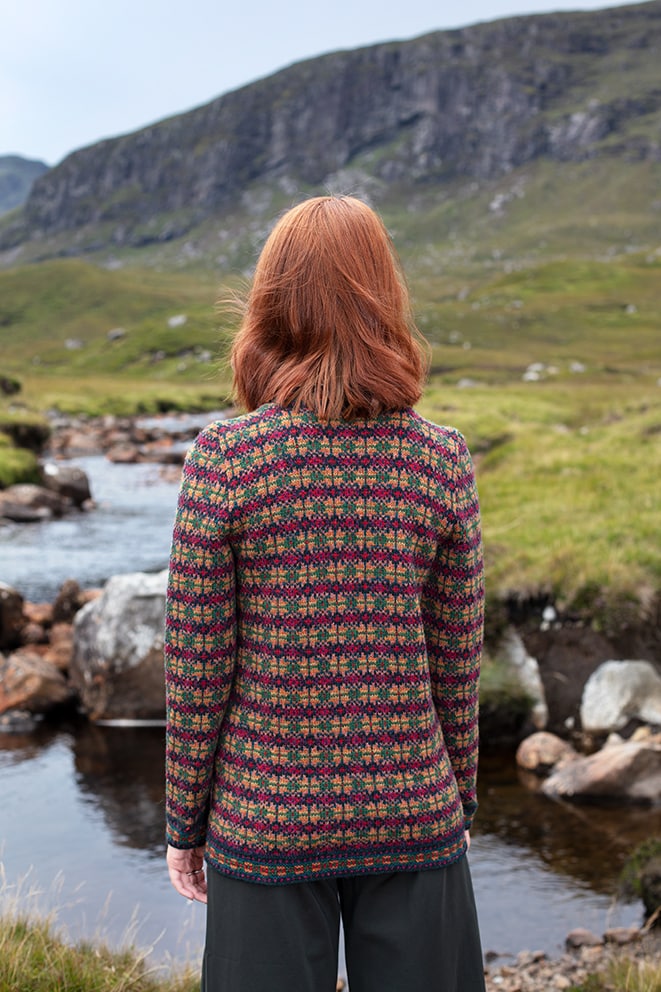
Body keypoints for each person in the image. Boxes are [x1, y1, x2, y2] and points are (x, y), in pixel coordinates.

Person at [164, 195, 486, 992]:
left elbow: (197, 666)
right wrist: (459, 804)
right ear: (383, 302)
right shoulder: (439, 460)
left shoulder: (226, 460)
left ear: (272, 307)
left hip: (265, 815)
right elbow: (457, 661)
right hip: (412, 808)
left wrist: (184, 822)